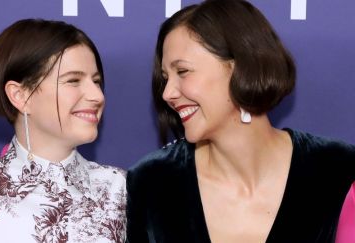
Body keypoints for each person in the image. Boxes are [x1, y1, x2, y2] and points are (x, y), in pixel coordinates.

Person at [125, 0, 355, 242]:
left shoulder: (337, 168)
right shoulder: (153, 181)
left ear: (241, 68)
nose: (167, 93)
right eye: (165, 78)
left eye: (182, 72)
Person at [0, 19, 126, 242]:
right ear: (20, 96)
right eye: (73, 81)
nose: (97, 96)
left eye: (96, 81)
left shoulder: (121, 189)